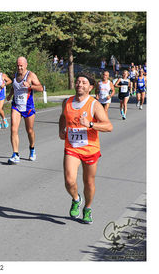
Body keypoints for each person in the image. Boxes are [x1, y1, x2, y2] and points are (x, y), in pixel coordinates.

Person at [59, 73, 113, 224]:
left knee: (88, 182)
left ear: (90, 87)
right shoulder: (67, 102)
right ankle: (76, 199)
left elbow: (108, 126)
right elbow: (63, 117)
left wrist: (90, 124)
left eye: (83, 82)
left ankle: (87, 208)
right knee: (69, 181)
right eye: (78, 81)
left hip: (90, 149)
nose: (79, 84)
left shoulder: (94, 104)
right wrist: (61, 129)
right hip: (72, 148)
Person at [6, 57, 43, 164]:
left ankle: (32, 149)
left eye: (21, 65)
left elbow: (40, 88)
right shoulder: (15, 75)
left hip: (28, 106)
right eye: (18, 65)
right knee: (13, 129)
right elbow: (14, 86)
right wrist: (10, 95)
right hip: (16, 106)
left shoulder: (31, 75)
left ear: (26, 65)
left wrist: (30, 86)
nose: (19, 67)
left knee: (29, 130)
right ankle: (15, 154)